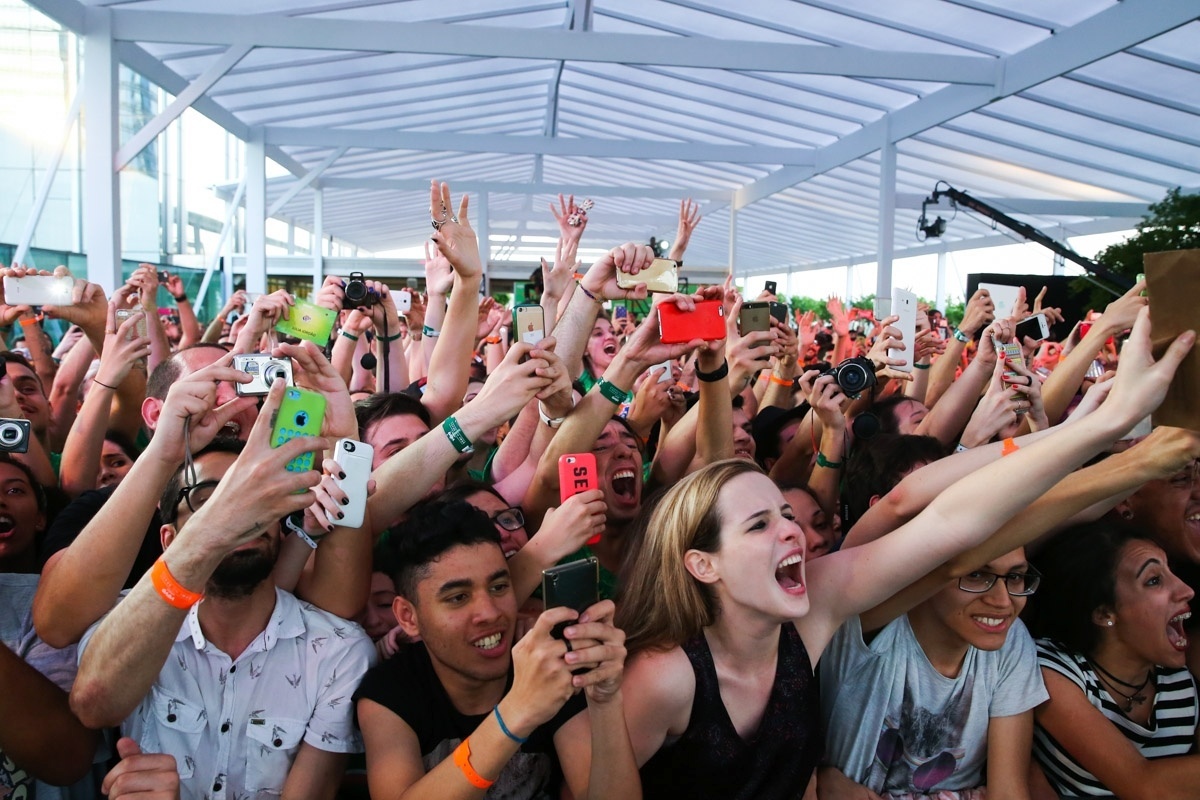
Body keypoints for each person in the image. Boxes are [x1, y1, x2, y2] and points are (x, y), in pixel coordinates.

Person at [607, 308, 1191, 800]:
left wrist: (1099, 429)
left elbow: (952, 524)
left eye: (787, 515)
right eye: (759, 524)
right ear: (702, 564)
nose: (790, 534)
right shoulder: (665, 677)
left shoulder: (813, 614)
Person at [70, 387, 376, 799]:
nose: (237, 515)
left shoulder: (338, 652)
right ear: (168, 537)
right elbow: (93, 705)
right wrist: (211, 535)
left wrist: (344, 444)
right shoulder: (125, 620)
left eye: (253, 499)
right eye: (207, 501)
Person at [354, 499, 638, 800]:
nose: (490, 613)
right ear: (409, 617)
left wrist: (605, 702)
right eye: (458, 597)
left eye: (499, 587)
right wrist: (517, 711)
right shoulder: (390, 691)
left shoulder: (551, 663)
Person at [818, 546, 1046, 799]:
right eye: (976, 575)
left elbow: (1008, 792)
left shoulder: (1011, 639)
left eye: (1014, 577)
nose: (1002, 602)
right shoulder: (873, 628)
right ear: (928, 575)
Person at [1028, 521, 1199, 798]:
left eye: (1172, 572)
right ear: (1104, 613)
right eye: (1154, 580)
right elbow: (1142, 786)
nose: (1185, 590)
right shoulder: (1053, 670)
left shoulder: (1180, 680)